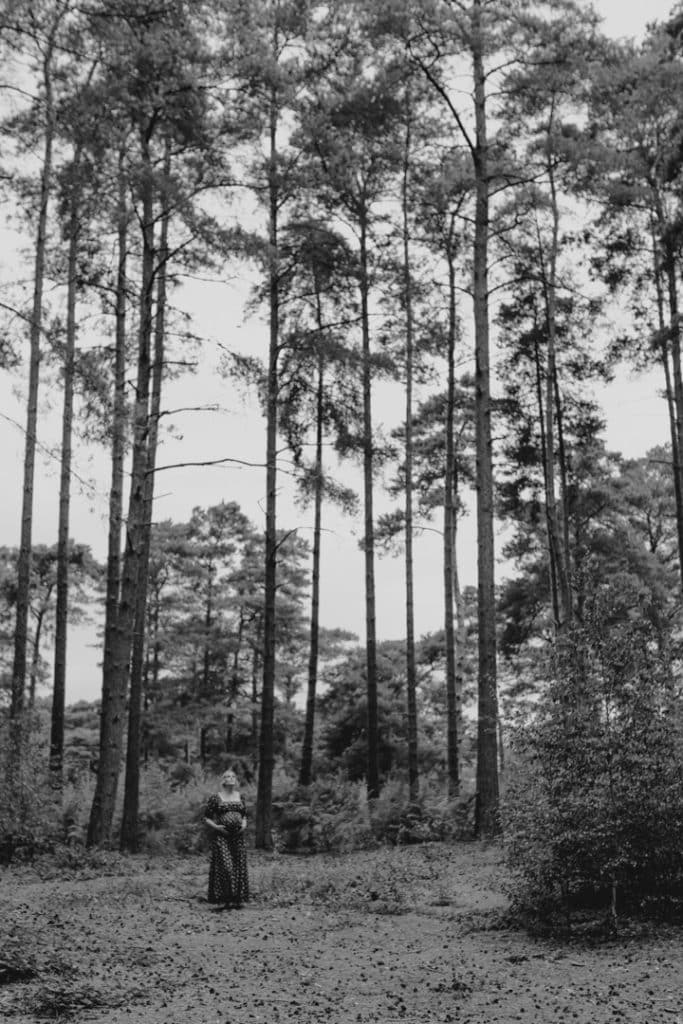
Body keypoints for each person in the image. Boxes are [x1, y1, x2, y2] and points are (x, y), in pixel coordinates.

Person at [204, 768, 249, 910]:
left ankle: (234, 900)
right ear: (223, 780)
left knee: (237, 868)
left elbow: (244, 815)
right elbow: (206, 817)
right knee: (226, 867)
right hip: (222, 837)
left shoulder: (240, 796)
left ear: (235, 780)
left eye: (233, 776)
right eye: (227, 776)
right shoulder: (215, 797)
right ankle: (223, 898)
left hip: (238, 837)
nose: (230, 778)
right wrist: (217, 827)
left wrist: (244, 824)